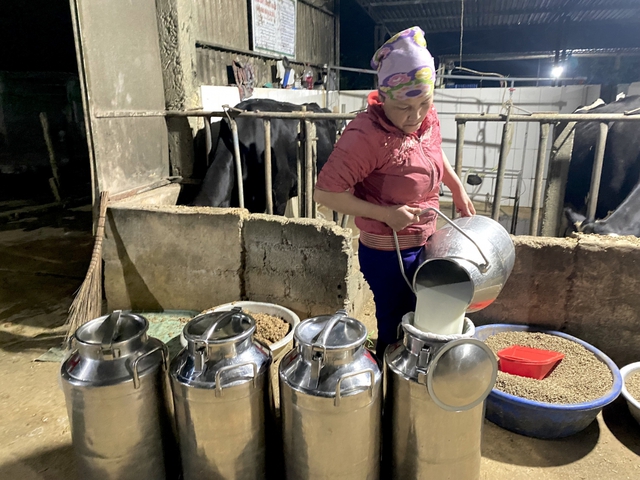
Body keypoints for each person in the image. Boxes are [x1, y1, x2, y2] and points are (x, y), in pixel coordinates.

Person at [314, 27, 475, 363]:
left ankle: (416, 377)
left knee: (423, 316)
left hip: (426, 241)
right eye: (404, 106)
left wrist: (457, 188)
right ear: (383, 96)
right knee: (397, 321)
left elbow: (432, 151)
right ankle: (388, 390)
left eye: (424, 103)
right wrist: (385, 215)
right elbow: (326, 193)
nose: (415, 115)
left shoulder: (426, 120)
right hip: (389, 252)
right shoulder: (366, 136)